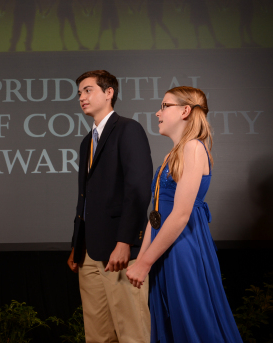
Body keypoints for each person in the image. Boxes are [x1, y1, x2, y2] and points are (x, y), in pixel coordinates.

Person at [126, 86, 243, 342]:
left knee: (191, 323)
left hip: (182, 248)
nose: (158, 112)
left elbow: (180, 215)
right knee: (172, 325)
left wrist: (145, 262)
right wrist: (143, 258)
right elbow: (156, 214)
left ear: (185, 111)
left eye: (164, 106)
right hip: (165, 248)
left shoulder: (193, 148)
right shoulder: (173, 154)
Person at [67, 70, 153, 342]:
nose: (81, 97)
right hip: (88, 255)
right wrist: (76, 245)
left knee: (132, 333)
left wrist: (125, 240)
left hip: (120, 251)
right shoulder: (86, 142)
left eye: (88, 90)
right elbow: (85, 198)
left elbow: (138, 189)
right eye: (79, 92)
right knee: (97, 336)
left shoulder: (128, 129)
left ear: (109, 93)